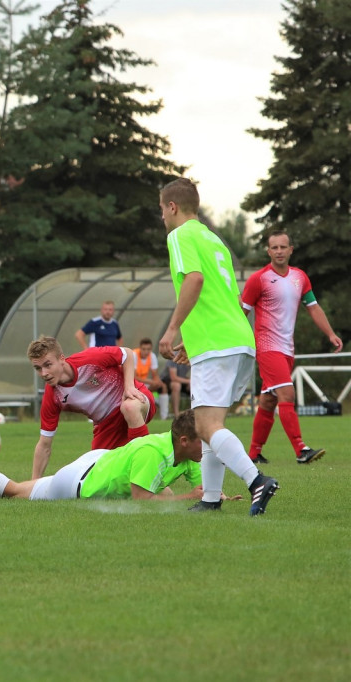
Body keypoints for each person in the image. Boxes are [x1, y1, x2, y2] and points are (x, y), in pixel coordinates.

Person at [157, 177, 277, 515]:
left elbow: (194, 279)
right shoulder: (214, 239)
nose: (162, 217)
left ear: (172, 206)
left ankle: (257, 481)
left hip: (217, 343)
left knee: (206, 425)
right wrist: (189, 337)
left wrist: (172, 329)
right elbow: (224, 298)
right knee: (209, 424)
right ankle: (211, 499)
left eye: (162, 209)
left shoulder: (179, 235)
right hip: (237, 338)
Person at [0, 410, 240, 504]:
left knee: (19, 487)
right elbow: (142, 500)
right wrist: (189, 498)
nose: (208, 446)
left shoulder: (186, 454)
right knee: (14, 493)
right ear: (184, 440)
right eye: (204, 440)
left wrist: (217, 495)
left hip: (97, 462)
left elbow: (202, 486)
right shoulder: (153, 453)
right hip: (76, 483)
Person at [241, 229, 343, 465]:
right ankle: (301, 449)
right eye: (274, 247)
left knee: (268, 400)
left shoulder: (300, 277)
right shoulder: (259, 279)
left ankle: (254, 454)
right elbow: (241, 313)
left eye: (282, 247)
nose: (279, 251)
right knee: (287, 393)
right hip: (267, 347)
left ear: (290, 250)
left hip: (287, 348)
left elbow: (313, 307)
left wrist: (330, 333)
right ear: (268, 251)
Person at [28, 335, 156, 480]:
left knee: (129, 407)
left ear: (61, 359)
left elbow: (127, 354)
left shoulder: (89, 359)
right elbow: (44, 445)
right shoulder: (52, 396)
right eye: (38, 368)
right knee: (97, 480)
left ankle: (147, 470)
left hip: (136, 399)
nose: (44, 373)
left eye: (48, 365)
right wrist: (33, 485)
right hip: (107, 425)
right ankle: (150, 483)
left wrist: (129, 387)